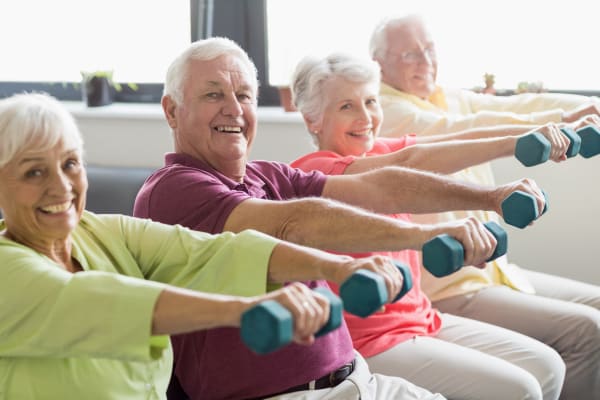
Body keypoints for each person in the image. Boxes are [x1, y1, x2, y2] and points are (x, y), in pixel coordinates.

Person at [133, 37, 552, 400]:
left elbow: (380, 186)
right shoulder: (172, 189)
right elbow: (289, 224)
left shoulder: (269, 174)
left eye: (243, 96)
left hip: (356, 379)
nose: (234, 110)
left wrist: (490, 197)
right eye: (213, 95)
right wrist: (426, 234)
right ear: (172, 111)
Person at [0, 92, 429, 400]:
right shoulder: (8, 272)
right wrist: (244, 310)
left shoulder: (100, 233)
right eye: (33, 172)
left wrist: (339, 269)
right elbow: (105, 302)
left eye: (70, 164)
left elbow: (218, 251)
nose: (61, 185)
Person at [289, 52, 572, 400]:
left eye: (371, 101)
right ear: (312, 119)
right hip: (367, 342)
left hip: (421, 319)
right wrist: (496, 190)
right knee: (521, 389)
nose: (365, 117)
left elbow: (452, 142)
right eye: (346, 106)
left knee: (547, 367)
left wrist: (531, 134)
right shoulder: (314, 172)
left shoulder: (376, 151)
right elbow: (412, 161)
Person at [370, 14, 600, 399]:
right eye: (410, 54)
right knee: (587, 329)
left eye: (429, 49)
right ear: (380, 65)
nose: (425, 61)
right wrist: (558, 120)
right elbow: (472, 127)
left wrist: (584, 106)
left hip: (494, 271)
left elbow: (526, 101)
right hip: (449, 285)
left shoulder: (446, 96)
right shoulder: (385, 111)